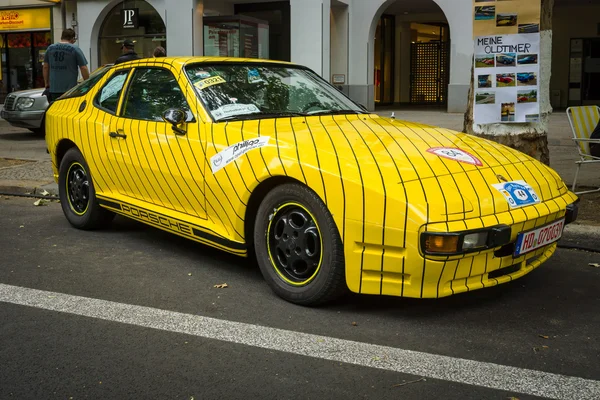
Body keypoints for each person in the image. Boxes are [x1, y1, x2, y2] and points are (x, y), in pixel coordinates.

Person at [43, 29, 89, 102]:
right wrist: (87, 83)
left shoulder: (50, 48)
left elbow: (45, 67)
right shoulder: (75, 49)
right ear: (73, 38)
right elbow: (83, 68)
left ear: (62, 37)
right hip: (70, 90)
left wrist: (46, 83)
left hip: (54, 89)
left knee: (55, 110)